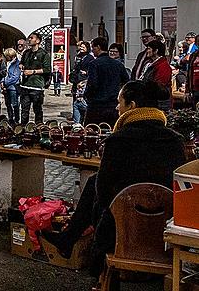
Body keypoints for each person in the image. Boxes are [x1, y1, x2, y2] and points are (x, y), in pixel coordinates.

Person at [41, 80, 188, 273]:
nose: (117, 107)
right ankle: (68, 239)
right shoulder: (176, 140)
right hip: (165, 221)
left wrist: (99, 219)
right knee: (95, 181)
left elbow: (103, 192)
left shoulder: (119, 139)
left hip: (125, 224)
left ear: (132, 106)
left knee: (98, 189)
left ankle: (69, 239)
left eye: (120, 102)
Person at [84, 37, 130, 125]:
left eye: (93, 48)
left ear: (98, 47)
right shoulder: (118, 64)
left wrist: (87, 96)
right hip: (113, 104)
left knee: (92, 130)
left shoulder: (94, 64)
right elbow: (126, 81)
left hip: (97, 105)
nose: (92, 51)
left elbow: (92, 84)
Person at [19, 33, 51, 124]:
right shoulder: (26, 53)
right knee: (24, 111)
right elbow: (22, 63)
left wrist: (32, 71)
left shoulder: (43, 54)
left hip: (37, 87)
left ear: (38, 41)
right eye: (29, 38)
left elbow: (47, 69)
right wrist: (21, 65)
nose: (29, 40)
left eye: (31, 38)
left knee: (37, 110)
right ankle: (23, 129)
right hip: (25, 86)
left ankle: (39, 128)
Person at [138, 39, 173, 111]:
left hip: (160, 104)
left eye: (149, 49)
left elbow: (159, 86)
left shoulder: (163, 66)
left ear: (156, 51)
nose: (147, 51)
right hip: (152, 102)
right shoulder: (150, 64)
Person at [70, 41, 94, 124]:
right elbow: (75, 67)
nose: (81, 48)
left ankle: (82, 118)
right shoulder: (78, 56)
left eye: (83, 47)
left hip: (84, 80)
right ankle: (76, 118)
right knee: (75, 97)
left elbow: (91, 69)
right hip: (76, 79)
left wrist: (86, 73)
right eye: (81, 47)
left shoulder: (90, 58)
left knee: (82, 99)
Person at [0, 48, 21, 124]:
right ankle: (10, 118)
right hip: (6, 87)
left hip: (13, 87)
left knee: (14, 104)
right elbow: (4, 73)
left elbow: (15, 77)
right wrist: (2, 81)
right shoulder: (7, 63)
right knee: (8, 104)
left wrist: (5, 82)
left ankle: (16, 119)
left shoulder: (17, 64)